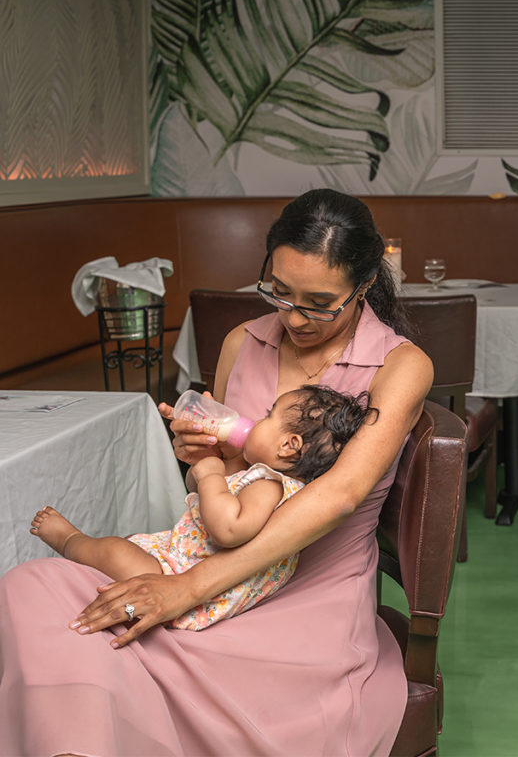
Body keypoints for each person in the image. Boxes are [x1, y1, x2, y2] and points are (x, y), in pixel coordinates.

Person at [0, 189, 434, 755]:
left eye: (320, 304)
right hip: (199, 560)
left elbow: (340, 496)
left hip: (302, 602)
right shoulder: (242, 342)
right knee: (31, 588)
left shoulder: (400, 366)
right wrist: (199, 458)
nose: (295, 318)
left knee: (112, 646)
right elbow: (222, 486)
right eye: (280, 293)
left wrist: (185, 590)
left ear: (366, 282)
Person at [30, 385, 374, 631]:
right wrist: (205, 461)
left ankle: (70, 540)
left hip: (191, 580)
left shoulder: (270, 485)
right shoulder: (257, 476)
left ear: (288, 445)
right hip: (186, 557)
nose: (258, 420)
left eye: (269, 417)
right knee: (133, 541)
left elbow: (228, 529)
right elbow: (201, 494)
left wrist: (211, 471)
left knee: (115, 550)